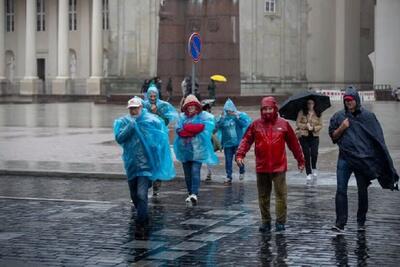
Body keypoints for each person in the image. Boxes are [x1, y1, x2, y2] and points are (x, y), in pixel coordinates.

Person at [329, 86, 399, 233]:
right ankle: (340, 223)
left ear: (357, 100)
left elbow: (378, 140)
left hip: (362, 160)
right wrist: (342, 127)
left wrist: (384, 164)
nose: (348, 102)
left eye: (351, 100)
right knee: (341, 189)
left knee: (362, 191)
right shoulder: (338, 116)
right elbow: (333, 136)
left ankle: (361, 221)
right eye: (346, 100)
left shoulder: (368, 117)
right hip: (345, 158)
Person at [235, 96, 305, 232]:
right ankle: (266, 222)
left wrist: (300, 160)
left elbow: (294, 144)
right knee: (263, 196)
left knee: (281, 196)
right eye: (265, 109)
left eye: (270, 108)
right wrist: (240, 155)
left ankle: (280, 222)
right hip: (262, 166)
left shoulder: (283, 124)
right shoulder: (255, 125)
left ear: (275, 109)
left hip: (279, 167)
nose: (267, 111)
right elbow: (246, 140)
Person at [113, 97, 175, 236]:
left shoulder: (151, 121)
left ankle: (141, 222)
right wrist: (131, 126)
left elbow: (159, 140)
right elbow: (119, 138)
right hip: (132, 165)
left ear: (141, 107)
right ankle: (143, 216)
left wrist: (157, 158)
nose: (134, 110)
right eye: (131, 108)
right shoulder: (124, 122)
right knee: (134, 196)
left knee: (141, 194)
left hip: (146, 166)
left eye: (136, 108)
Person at [174, 94, 219, 205]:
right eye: (188, 106)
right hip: (185, 151)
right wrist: (194, 130)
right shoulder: (182, 117)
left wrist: (188, 128)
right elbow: (179, 131)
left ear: (197, 107)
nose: (191, 108)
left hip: (198, 151)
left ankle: (194, 193)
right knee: (188, 174)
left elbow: (204, 127)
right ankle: (190, 193)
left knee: (195, 171)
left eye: (193, 106)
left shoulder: (203, 116)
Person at [143, 85, 178, 196]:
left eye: (154, 96)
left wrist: (157, 112)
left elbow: (166, 121)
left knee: (158, 162)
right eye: (150, 96)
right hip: (147, 140)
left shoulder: (163, 106)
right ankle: (146, 186)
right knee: (147, 163)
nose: (152, 98)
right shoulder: (143, 106)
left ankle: (156, 186)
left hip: (160, 140)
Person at [216, 98, 251, 185]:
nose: (229, 112)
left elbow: (244, 124)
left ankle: (242, 170)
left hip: (238, 144)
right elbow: (217, 127)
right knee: (228, 161)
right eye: (227, 110)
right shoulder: (223, 119)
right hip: (227, 144)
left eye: (230, 110)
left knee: (238, 159)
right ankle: (229, 176)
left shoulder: (237, 117)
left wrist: (236, 118)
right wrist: (221, 119)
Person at [296, 98, 323, 184]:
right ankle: (308, 173)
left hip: (314, 136)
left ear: (314, 104)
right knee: (306, 154)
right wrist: (306, 126)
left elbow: (321, 125)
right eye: (308, 103)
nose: (310, 105)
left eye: (312, 103)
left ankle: (314, 167)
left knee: (314, 153)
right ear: (306, 104)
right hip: (304, 136)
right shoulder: (301, 112)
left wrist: (314, 128)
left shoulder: (319, 112)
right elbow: (298, 123)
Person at [201, 100, 221, 181]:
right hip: (208, 139)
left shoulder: (200, 116)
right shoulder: (211, 117)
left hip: (202, 139)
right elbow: (215, 128)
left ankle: (207, 173)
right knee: (208, 155)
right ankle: (208, 173)